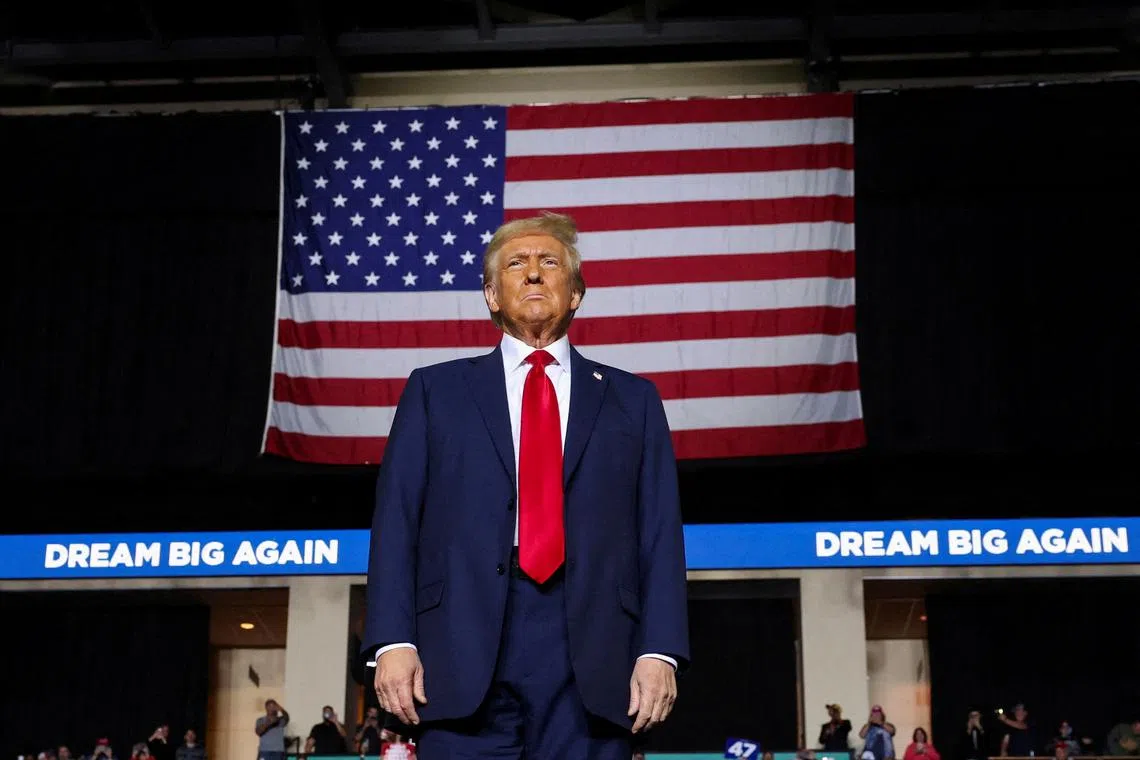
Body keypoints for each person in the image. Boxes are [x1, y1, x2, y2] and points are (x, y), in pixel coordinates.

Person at [364, 212, 690, 759]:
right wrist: (392, 641)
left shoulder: (634, 401)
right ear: (492, 295)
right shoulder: (434, 391)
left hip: (593, 653)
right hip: (457, 648)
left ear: (577, 293)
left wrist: (660, 650)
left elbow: (659, 533)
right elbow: (396, 521)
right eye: (516, 263)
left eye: (549, 262)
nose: (534, 272)